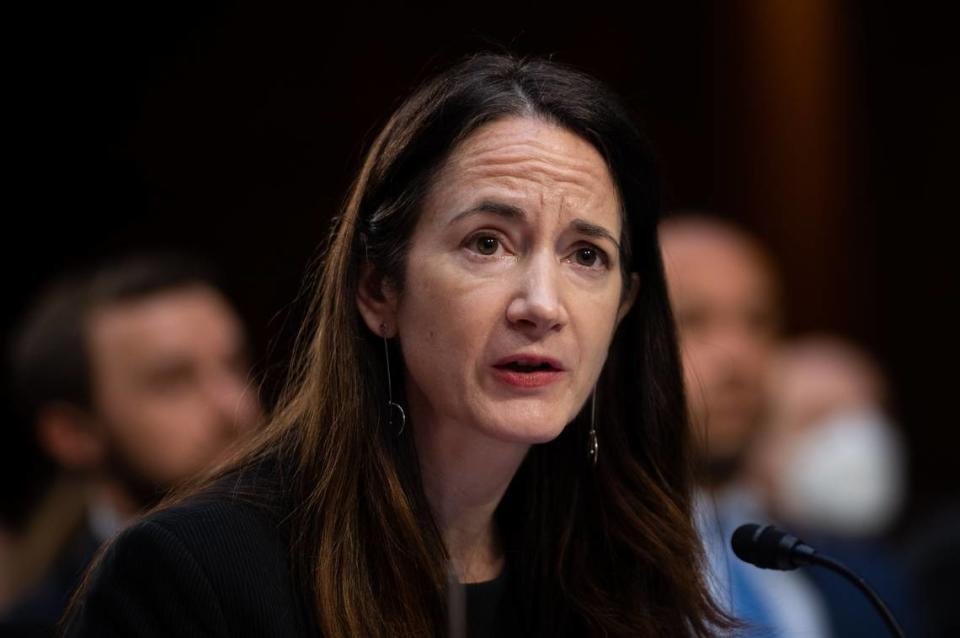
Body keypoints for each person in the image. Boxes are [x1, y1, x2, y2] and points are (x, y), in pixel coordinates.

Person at [63, 54, 732, 637]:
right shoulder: (193, 572)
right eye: (487, 243)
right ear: (379, 290)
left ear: (622, 310)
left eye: (586, 255)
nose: (542, 305)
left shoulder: (622, 574)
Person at [2, 256, 261, 636]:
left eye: (237, 365)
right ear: (72, 434)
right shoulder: (52, 625)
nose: (236, 405)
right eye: (173, 381)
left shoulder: (332, 559)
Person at [660, 214, 833, 637]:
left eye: (757, 322)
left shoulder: (825, 562)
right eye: (693, 320)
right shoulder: (566, 563)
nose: (738, 354)